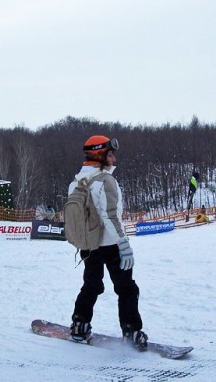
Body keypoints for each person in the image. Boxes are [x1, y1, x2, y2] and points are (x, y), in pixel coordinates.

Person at [68, 135, 148, 351]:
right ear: (99, 155)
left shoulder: (75, 182)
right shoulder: (106, 181)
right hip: (111, 245)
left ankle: (79, 325)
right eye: (110, 155)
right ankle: (131, 330)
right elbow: (111, 217)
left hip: (88, 245)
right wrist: (124, 244)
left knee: (92, 285)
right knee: (127, 288)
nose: (113, 159)